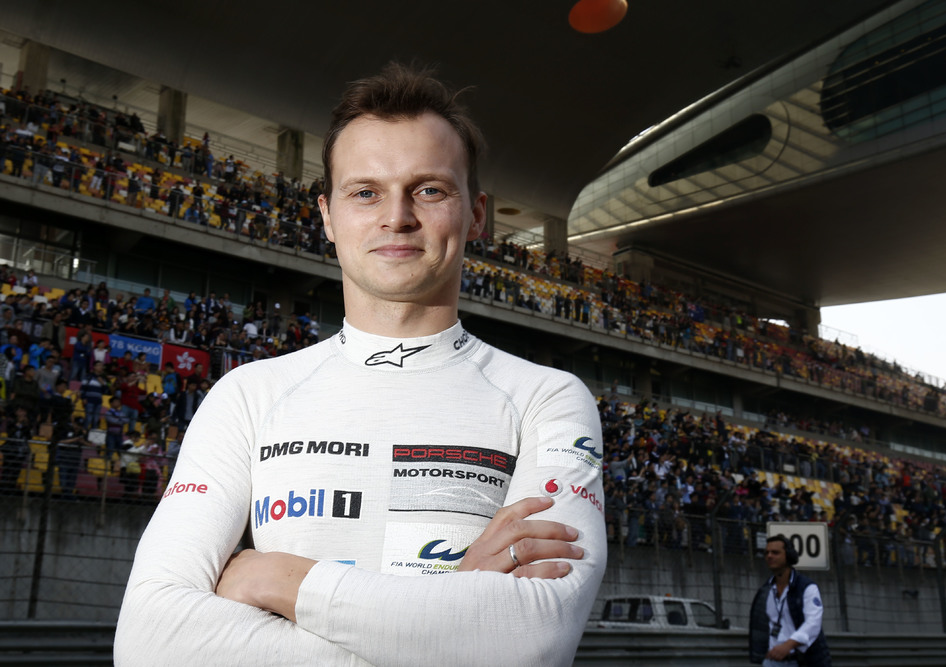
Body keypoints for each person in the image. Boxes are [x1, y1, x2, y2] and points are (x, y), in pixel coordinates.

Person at [116, 63, 606, 666]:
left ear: (477, 214)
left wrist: (278, 578)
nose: (396, 216)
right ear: (327, 215)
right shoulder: (248, 395)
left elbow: (531, 640)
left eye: (429, 190)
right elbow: (148, 643)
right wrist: (449, 618)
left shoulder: (546, 398)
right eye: (365, 192)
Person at [749, 534, 831, 666]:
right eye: (766, 553)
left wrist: (788, 645)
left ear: (788, 555)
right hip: (772, 661)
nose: (769, 556)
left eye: (775, 552)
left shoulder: (806, 587)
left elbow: (813, 623)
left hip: (803, 660)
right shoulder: (765, 591)